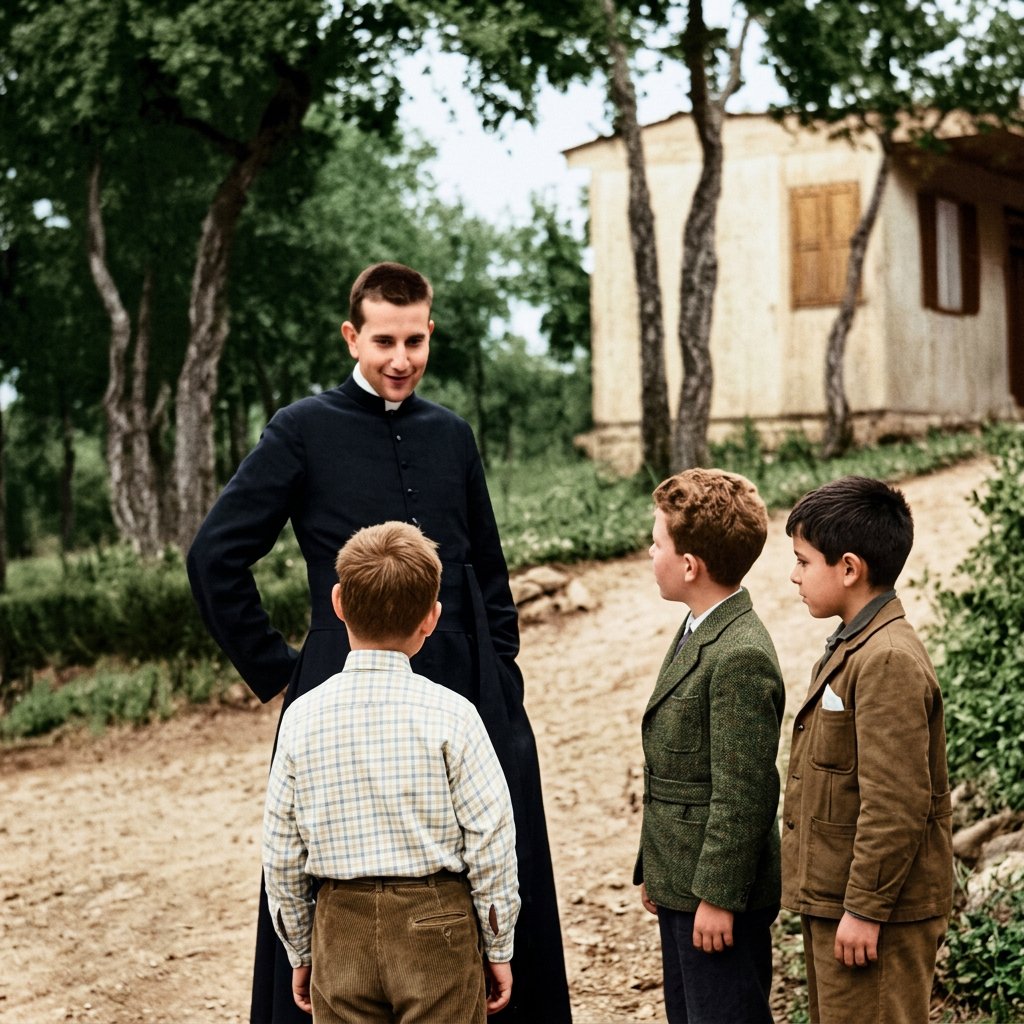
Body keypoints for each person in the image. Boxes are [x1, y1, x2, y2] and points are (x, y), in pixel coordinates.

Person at [186, 262, 570, 1024]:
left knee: (498, 851)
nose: (401, 359)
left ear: (431, 333)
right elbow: (214, 556)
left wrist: (503, 672)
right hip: (342, 681)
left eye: (416, 340)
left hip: (470, 687)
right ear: (352, 335)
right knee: (328, 866)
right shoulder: (300, 430)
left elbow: (488, 568)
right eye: (384, 340)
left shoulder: (451, 433)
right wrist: (282, 674)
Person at [262, 521, 520, 1022]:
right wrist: (498, 942)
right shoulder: (455, 715)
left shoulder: (301, 717)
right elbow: (491, 837)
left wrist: (299, 947)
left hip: (340, 930)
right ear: (432, 617)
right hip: (437, 924)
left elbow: (281, 849)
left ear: (337, 603)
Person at [782, 476, 953, 1024]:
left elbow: (897, 802)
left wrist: (864, 907)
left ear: (850, 568)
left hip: (875, 913)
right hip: (843, 905)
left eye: (804, 561)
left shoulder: (886, 660)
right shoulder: (857, 643)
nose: (794, 575)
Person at [635, 468, 785, 1024]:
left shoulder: (740, 654)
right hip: (683, 881)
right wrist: (656, 866)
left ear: (690, 566)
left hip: (716, 897)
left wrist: (718, 898)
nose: (650, 553)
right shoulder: (700, 625)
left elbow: (743, 792)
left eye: (657, 543)